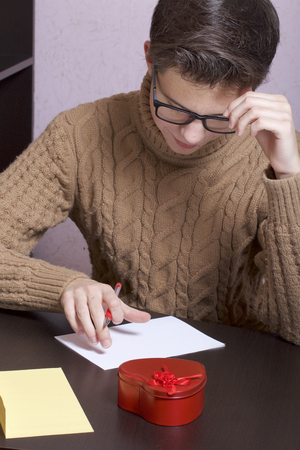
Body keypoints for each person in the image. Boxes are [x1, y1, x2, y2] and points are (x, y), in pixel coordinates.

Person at [1, 0, 300, 349]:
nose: (190, 136)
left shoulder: (283, 154)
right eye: (173, 108)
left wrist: (289, 176)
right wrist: (64, 287)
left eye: (218, 117)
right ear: (149, 59)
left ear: (252, 88)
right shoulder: (78, 134)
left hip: (242, 371)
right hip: (117, 359)